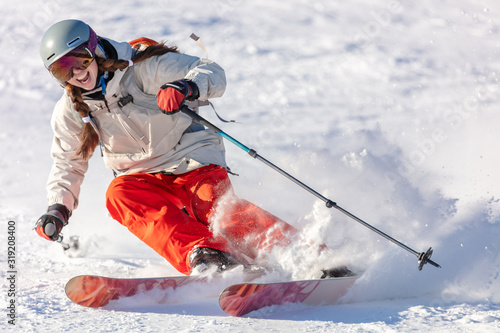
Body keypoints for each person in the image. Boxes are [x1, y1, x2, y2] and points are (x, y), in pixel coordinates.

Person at [35, 19, 351, 278]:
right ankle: (207, 254)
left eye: (80, 61)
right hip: (141, 176)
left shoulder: (141, 67)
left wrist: (186, 87)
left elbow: (210, 71)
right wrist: (57, 208)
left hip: (192, 159)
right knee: (118, 195)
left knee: (214, 209)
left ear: (94, 50)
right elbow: (68, 163)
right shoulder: (72, 110)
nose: (76, 73)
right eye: (63, 70)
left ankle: (311, 256)